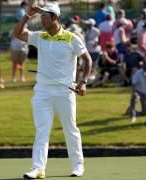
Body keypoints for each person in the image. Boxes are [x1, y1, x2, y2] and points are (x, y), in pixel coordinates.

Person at [14, 3, 92, 179]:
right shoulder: (39, 36)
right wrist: (28, 14)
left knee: (70, 129)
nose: (42, 19)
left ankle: (78, 165)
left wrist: (83, 82)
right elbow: (17, 33)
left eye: (45, 17)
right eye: (41, 17)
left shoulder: (72, 38)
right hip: (42, 92)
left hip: (65, 92)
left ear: (55, 18)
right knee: (42, 130)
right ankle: (38, 168)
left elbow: (87, 60)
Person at [127, 58, 146, 123]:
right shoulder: (138, 73)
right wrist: (134, 92)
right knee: (134, 97)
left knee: (145, 113)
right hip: (139, 93)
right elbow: (133, 83)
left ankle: (129, 111)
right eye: (145, 65)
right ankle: (133, 116)